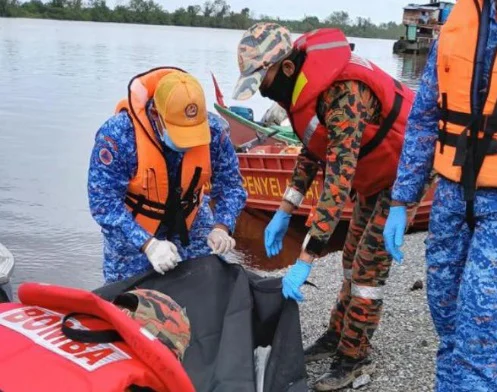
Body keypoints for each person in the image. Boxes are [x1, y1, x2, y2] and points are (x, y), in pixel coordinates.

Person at [232, 22, 416, 390]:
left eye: (263, 81)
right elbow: (311, 152)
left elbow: (338, 181)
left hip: (403, 177)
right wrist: (285, 210)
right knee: (349, 260)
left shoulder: (344, 93)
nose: (264, 92)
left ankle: (353, 356)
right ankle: (337, 335)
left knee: (367, 270)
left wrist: (305, 258)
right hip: (373, 173)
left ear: (285, 67)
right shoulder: (304, 90)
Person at [383, 0, 497, 390]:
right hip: (449, 199)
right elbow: (424, 117)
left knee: (480, 341)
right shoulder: (455, 22)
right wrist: (402, 199)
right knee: (447, 326)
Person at [88, 68, 247, 284]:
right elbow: (103, 203)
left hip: (190, 218)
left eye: (194, 133)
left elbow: (232, 187)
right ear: (156, 115)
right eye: (181, 133)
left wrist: (221, 227)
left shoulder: (214, 132)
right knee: (127, 297)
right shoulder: (118, 136)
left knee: (208, 281)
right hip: (134, 224)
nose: (189, 142)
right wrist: (148, 244)